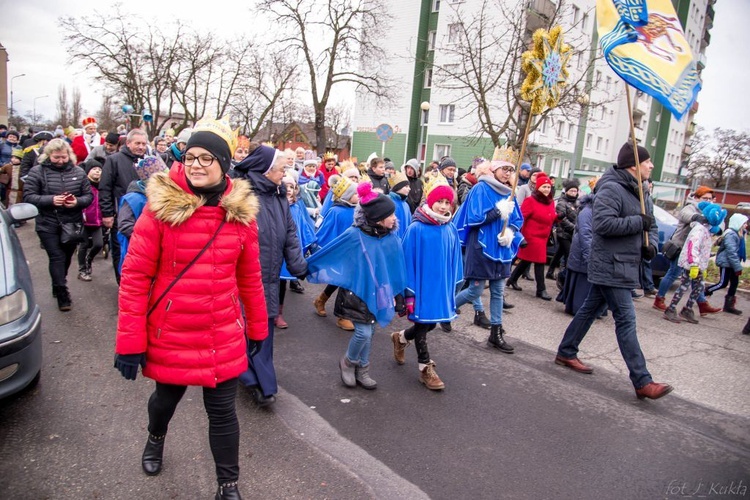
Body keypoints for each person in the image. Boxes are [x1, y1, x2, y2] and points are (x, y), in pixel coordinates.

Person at [114, 117, 268, 500]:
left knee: (223, 413)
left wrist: (258, 330)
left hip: (221, 332)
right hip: (173, 331)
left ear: (224, 164)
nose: (196, 165)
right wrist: (129, 341)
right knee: (165, 400)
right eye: (190, 157)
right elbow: (134, 278)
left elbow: (250, 278)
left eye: (206, 158)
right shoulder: (160, 209)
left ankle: (228, 485)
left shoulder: (241, 215)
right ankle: (155, 437)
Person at [555, 142, 673, 400]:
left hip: (626, 264)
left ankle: (566, 351)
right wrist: (636, 223)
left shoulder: (642, 192)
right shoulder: (612, 188)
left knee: (588, 309)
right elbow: (603, 224)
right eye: (647, 161)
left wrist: (651, 246)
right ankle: (642, 380)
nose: (651, 166)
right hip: (610, 263)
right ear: (633, 165)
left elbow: (650, 225)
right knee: (626, 320)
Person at [306, 182, 408, 390]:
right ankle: (348, 362)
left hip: (379, 292)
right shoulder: (355, 234)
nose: (394, 218)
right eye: (391, 215)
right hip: (356, 293)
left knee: (369, 329)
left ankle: (363, 370)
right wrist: (305, 266)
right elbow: (332, 251)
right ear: (379, 218)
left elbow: (396, 269)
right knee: (364, 333)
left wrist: (399, 296)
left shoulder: (391, 239)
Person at [233, 144, 308, 407]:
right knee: (242, 328)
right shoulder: (239, 195)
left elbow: (289, 232)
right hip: (241, 278)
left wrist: (298, 266)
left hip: (270, 276)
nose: (284, 173)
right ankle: (251, 379)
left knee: (263, 327)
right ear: (265, 171)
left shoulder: (278, 194)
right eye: (280, 168)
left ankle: (262, 381)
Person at [393, 177, 462, 390]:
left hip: (440, 287)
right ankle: (425, 368)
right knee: (423, 323)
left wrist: (454, 285)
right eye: (439, 201)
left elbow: (455, 260)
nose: (443, 206)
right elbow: (406, 260)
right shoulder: (417, 228)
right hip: (421, 287)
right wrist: (409, 292)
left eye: (447, 202)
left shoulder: (450, 228)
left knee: (431, 323)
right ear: (430, 201)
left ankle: (401, 338)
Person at [452, 159, 524, 353]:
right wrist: (497, 212)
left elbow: (517, 219)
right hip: (481, 246)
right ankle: (446, 310)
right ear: (493, 170)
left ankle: (496, 333)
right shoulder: (480, 189)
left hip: (501, 248)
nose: (508, 173)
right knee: (475, 291)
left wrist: (510, 233)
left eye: (510, 170)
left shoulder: (510, 193)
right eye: (504, 169)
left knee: (498, 291)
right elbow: (474, 218)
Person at [22, 139, 93, 311]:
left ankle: (58, 281)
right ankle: (62, 293)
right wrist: (51, 200)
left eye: (63, 157)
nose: (60, 161)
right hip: (48, 222)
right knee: (57, 257)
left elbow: (88, 196)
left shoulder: (78, 171)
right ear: (48, 156)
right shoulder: (37, 172)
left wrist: (76, 202)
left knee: (67, 257)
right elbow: (29, 196)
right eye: (56, 157)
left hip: (72, 223)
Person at [653, 186, 722, 315]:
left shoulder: (709, 211)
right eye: (704, 198)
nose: (708, 201)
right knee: (673, 273)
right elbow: (685, 215)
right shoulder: (690, 207)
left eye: (710, 199)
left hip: (696, 252)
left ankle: (702, 304)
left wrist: (717, 228)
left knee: (695, 278)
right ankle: (659, 299)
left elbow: (717, 224)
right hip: (681, 248)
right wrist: (697, 217)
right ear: (696, 198)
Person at [99, 129, 149, 284]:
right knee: (121, 252)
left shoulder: (149, 161)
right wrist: (107, 214)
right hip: (121, 216)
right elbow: (105, 188)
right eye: (137, 143)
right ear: (128, 143)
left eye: (143, 143)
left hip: (144, 215)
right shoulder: (114, 160)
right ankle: (122, 285)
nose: (141, 147)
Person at [664, 202, 726, 324]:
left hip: (698, 264)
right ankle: (670, 309)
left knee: (699, 287)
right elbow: (692, 247)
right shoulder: (699, 229)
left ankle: (687, 309)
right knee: (684, 286)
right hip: (691, 263)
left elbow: (705, 246)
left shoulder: (706, 229)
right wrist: (694, 264)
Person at [312, 175, 360, 331]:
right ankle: (342, 316)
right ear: (346, 195)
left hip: (355, 253)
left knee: (344, 281)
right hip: (341, 253)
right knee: (344, 281)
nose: (358, 196)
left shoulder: (358, 210)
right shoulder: (336, 211)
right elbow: (326, 231)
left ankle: (321, 299)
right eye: (355, 194)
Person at [507, 173, 557, 300]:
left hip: (543, 236)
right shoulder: (530, 200)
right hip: (532, 236)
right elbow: (521, 217)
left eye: (548, 187)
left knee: (527, 259)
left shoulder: (550, 202)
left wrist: (559, 218)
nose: (546, 189)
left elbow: (550, 217)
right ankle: (541, 289)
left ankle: (512, 279)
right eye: (544, 187)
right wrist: (519, 235)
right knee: (540, 261)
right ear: (538, 188)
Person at [276, 173, 317, 328]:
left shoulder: (297, 206)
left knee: (281, 283)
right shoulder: (274, 203)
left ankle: (278, 313)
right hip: (274, 249)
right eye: (286, 185)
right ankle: (266, 312)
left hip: (289, 250)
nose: (289, 189)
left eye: (292, 187)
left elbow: (303, 226)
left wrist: (309, 243)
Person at [116, 156, 169, 275]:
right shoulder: (133, 198)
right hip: (138, 252)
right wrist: (150, 239)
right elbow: (125, 225)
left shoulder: (162, 197)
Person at [706, 213, 748, 315]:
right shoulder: (731, 234)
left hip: (732, 263)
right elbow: (731, 252)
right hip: (726, 263)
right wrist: (737, 267)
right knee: (723, 283)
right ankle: (704, 293)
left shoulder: (739, 234)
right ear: (738, 223)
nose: (746, 225)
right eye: (744, 223)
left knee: (734, 283)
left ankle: (729, 305)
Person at [77, 159, 105, 282]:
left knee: (99, 244)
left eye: (99, 170)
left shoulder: (103, 187)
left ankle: (89, 258)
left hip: (97, 221)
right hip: (84, 220)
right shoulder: (83, 185)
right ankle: (83, 270)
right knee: (83, 245)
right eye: (94, 169)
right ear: (88, 172)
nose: (97, 172)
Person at [547, 177, 579, 280]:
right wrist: (573, 227)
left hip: (571, 233)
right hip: (563, 233)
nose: (574, 193)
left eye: (575, 191)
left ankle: (550, 272)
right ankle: (564, 276)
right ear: (566, 191)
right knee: (568, 254)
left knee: (559, 253)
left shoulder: (577, 203)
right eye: (571, 190)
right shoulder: (562, 202)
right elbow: (562, 219)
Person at [387, 170, 412, 240]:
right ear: (398, 188)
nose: (409, 189)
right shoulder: (389, 202)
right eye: (406, 186)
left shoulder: (406, 205)